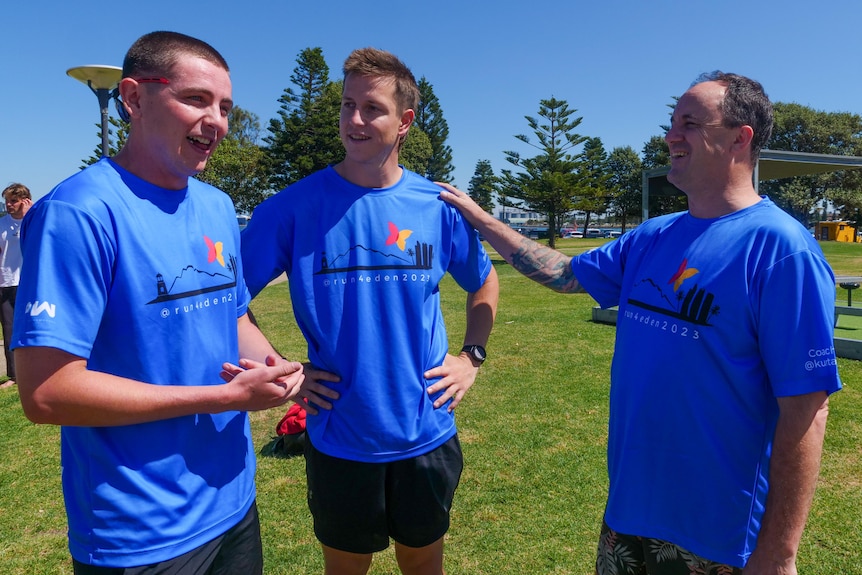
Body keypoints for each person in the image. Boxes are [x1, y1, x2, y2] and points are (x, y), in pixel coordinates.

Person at [439, 72, 840, 574]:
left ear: (741, 138)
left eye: (690, 123)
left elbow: (806, 411)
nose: (671, 136)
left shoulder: (782, 250)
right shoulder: (653, 236)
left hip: (718, 537)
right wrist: (480, 216)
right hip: (629, 515)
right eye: (672, 122)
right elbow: (564, 275)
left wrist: (780, 554)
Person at [12, 31, 336, 574]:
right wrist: (221, 398)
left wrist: (274, 365)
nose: (217, 121)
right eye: (196, 99)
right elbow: (45, 392)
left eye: (226, 107)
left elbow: (230, 315)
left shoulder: (216, 206)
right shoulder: (77, 213)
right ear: (134, 99)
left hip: (232, 501)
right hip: (138, 529)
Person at [241, 47, 499, 575]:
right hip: (340, 433)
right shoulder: (291, 208)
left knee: (423, 563)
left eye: (372, 108)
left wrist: (471, 356)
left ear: (404, 121)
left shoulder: (437, 206)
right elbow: (225, 303)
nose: (354, 121)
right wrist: (283, 369)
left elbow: (485, 282)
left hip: (426, 430)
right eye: (346, 105)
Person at [0, 183, 32, 388]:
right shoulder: (2, 224)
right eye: (6, 201)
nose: (8, 205)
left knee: (32, 326)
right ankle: (14, 376)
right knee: (10, 329)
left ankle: (36, 370)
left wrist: (31, 214)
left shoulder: (35, 220)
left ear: (24, 200)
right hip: (5, 283)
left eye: (13, 200)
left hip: (29, 282)